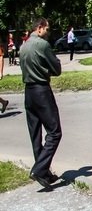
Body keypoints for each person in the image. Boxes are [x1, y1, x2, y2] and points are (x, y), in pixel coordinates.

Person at [19, 17, 62, 188]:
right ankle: (39, 169)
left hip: (28, 92)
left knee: (35, 134)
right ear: (40, 28)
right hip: (42, 91)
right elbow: (56, 69)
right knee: (55, 132)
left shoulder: (24, 46)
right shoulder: (42, 45)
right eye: (47, 29)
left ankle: (44, 173)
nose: (48, 33)